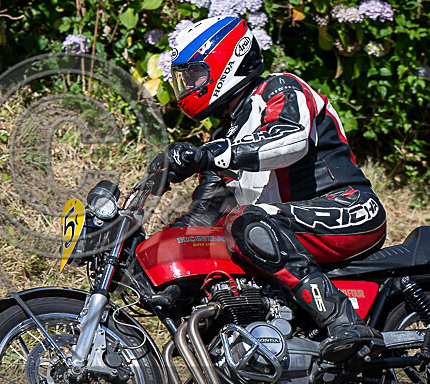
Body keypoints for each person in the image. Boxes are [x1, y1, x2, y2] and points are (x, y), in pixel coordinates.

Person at [149, 16, 386, 363]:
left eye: (195, 74)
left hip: (349, 208)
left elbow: (288, 139)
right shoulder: (223, 136)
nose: (188, 86)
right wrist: (156, 254)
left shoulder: (281, 88)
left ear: (227, 61)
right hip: (288, 228)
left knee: (245, 223)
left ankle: (345, 323)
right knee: (212, 237)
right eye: (184, 78)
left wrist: (208, 154)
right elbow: (201, 218)